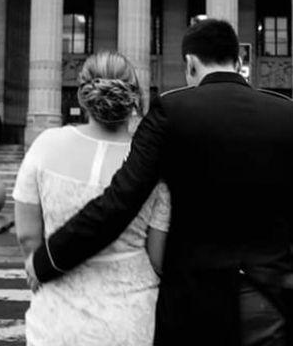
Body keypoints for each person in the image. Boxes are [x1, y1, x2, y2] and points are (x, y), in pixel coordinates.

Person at [26, 19, 293, 346]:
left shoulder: (171, 110)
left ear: (190, 63)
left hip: (195, 302)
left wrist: (48, 259)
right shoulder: (286, 114)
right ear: (238, 62)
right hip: (268, 299)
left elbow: (120, 201)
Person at [14, 51, 171, 345]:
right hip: (130, 317)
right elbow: (158, 254)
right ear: (136, 97)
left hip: (58, 317)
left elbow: (27, 236)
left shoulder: (47, 144)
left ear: (82, 94)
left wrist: (40, 267)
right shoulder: (150, 163)